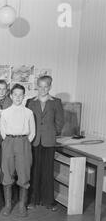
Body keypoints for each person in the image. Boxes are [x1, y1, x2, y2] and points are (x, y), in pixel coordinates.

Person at [26, 75, 64, 211]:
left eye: (46, 86)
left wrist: (52, 133)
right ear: (37, 86)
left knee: (47, 171)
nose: (43, 89)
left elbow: (60, 122)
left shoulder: (56, 102)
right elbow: (27, 121)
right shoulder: (30, 102)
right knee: (34, 170)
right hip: (34, 141)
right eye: (40, 86)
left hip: (49, 141)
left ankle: (49, 201)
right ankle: (33, 200)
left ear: (50, 87)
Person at [0, 84, 36, 217]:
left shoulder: (29, 112)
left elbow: (32, 132)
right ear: (11, 96)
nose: (18, 97)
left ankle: (22, 205)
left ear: (24, 96)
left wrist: (24, 142)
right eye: (15, 94)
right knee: (7, 173)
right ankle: (8, 205)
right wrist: (9, 140)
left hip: (23, 143)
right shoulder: (5, 112)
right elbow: (3, 131)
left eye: (21, 95)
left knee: (24, 173)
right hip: (9, 142)